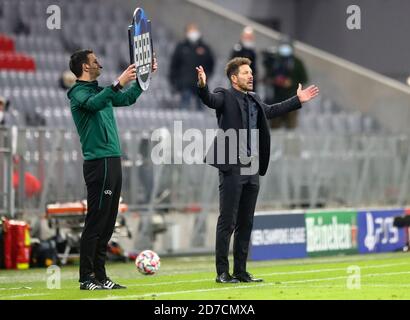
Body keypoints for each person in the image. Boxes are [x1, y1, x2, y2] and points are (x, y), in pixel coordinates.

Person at [196, 57, 319, 283]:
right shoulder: (224, 95)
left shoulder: (254, 99)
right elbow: (210, 100)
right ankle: (222, 272)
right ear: (234, 78)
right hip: (232, 166)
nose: (251, 75)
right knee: (228, 221)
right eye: (245, 72)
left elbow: (271, 111)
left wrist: (297, 100)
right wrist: (202, 86)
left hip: (252, 166)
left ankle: (241, 271)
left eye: (251, 72)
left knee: (246, 222)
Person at [67, 49, 157, 290]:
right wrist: (118, 83)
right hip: (99, 162)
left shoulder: (100, 91)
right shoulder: (78, 93)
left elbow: (127, 99)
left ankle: (100, 276)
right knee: (96, 220)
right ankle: (86, 278)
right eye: (95, 60)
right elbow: (96, 104)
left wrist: (141, 80)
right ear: (85, 67)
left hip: (112, 159)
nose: (99, 63)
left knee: (108, 222)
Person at [264, 39, 308, 129]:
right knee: (274, 128)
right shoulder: (274, 61)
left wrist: (292, 83)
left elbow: (304, 79)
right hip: (276, 101)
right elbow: (267, 78)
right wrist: (275, 81)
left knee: (291, 129)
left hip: (292, 100)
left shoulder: (297, 63)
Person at [169, 23, 215, 110]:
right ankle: (181, 123)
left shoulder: (204, 47)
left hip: (200, 83)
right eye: (191, 30)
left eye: (194, 30)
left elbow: (211, 63)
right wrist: (175, 81)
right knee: (184, 109)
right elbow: (174, 65)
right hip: (185, 83)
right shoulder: (181, 47)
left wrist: (207, 76)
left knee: (200, 109)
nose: (193, 33)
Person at [231, 26, 258, 91]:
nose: (248, 38)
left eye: (250, 37)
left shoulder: (252, 50)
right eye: (247, 36)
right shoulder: (238, 49)